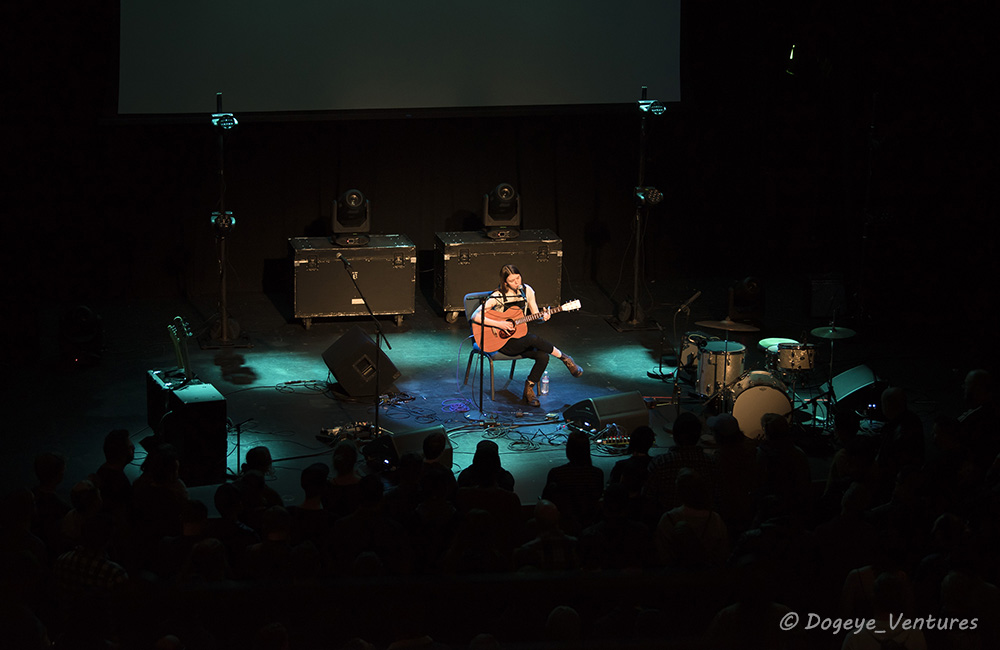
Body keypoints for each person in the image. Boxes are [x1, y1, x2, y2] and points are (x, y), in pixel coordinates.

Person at [469, 264, 583, 407]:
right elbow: (475, 316)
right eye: (512, 281)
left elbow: (536, 316)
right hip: (502, 342)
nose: (517, 282)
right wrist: (500, 324)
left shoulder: (527, 291)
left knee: (543, 356)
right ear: (505, 283)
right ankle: (565, 358)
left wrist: (544, 317)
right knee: (533, 338)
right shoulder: (497, 296)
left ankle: (529, 389)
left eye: (518, 278)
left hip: (520, 338)